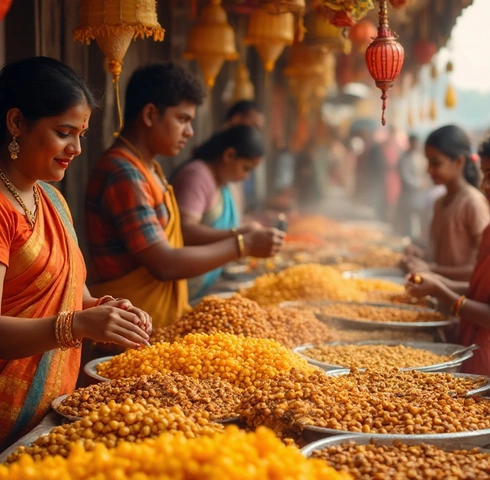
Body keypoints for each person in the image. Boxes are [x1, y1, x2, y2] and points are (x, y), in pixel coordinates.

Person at [0, 57, 151, 449]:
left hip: (48, 414)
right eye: (64, 132)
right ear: (16, 123)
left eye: (81, 134)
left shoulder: (51, 199)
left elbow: (73, 298)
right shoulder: (2, 210)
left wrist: (109, 312)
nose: (77, 148)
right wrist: (78, 326)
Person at [85, 63, 284, 328]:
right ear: (150, 115)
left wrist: (241, 237)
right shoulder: (122, 173)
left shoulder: (149, 168)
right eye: (182, 119)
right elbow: (164, 264)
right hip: (127, 329)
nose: (189, 132)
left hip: (153, 322)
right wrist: (242, 245)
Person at [405, 128, 490, 386]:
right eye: (483, 176)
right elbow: (478, 288)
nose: (484, 186)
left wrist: (440, 288)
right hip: (467, 340)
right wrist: (435, 282)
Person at [172, 125, 274, 301]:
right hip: (183, 287)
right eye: (246, 168)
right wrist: (240, 237)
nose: (246, 176)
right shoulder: (197, 176)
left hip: (206, 283)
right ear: (229, 155)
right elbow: (185, 231)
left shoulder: (223, 183)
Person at [403, 125, 490, 282]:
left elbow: (483, 267)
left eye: (436, 163)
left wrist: (432, 269)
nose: (429, 170)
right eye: (428, 162)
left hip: (462, 298)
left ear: (458, 162)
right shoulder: (440, 202)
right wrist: (420, 255)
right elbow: (440, 254)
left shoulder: (472, 202)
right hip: (439, 292)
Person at [395, 135, 427, 237]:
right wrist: (419, 184)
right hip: (408, 194)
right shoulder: (404, 158)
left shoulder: (420, 157)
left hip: (420, 196)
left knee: (418, 221)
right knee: (407, 221)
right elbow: (405, 177)